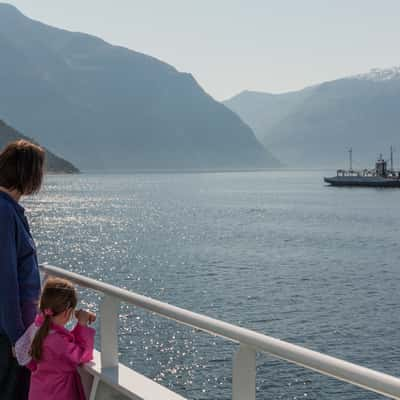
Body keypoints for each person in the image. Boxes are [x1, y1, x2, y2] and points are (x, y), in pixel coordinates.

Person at [0, 140, 45, 399]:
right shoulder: (4, 212)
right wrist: (19, 340)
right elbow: (6, 281)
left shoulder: (9, 209)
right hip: (8, 336)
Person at [15, 277, 96, 400]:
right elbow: (83, 354)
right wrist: (82, 324)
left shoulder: (37, 329)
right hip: (58, 395)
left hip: (39, 393)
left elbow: (67, 344)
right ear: (66, 312)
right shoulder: (57, 341)